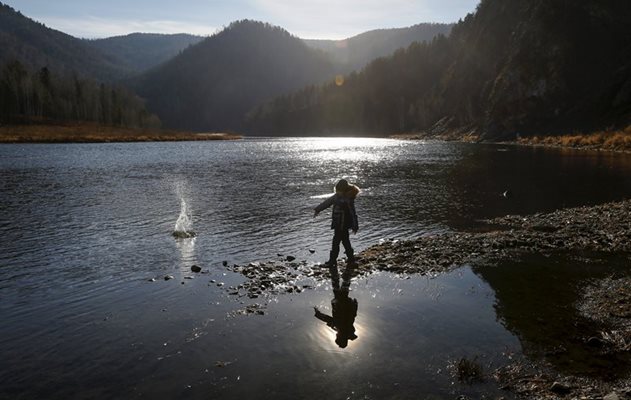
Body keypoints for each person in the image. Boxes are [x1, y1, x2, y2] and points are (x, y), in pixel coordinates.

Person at [313, 179, 359, 267]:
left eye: (339, 191)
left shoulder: (348, 199)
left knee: (336, 242)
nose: (338, 192)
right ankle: (351, 260)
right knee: (345, 241)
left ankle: (333, 261)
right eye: (337, 191)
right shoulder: (336, 196)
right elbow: (327, 202)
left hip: (344, 225)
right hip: (337, 223)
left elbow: (353, 213)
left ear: (344, 190)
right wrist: (317, 209)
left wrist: (355, 226)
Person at [313, 264, 358, 348]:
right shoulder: (340, 327)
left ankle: (348, 268)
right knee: (336, 284)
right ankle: (334, 267)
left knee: (345, 285)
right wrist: (318, 314)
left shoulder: (349, 330)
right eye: (337, 337)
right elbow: (328, 319)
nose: (336, 335)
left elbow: (353, 315)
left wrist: (355, 304)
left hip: (346, 302)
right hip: (339, 302)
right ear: (340, 338)